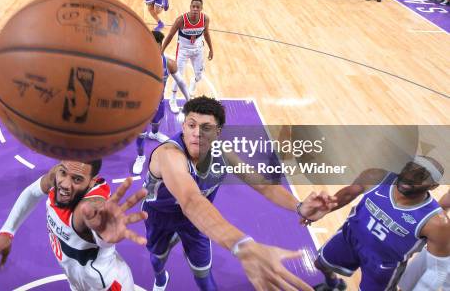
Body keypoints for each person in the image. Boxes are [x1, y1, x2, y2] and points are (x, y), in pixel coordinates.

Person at [142, 96, 337, 291]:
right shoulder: (169, 154)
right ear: (183, 126)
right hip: (161, 217)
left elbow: (263, 185)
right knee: (158, 259)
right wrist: (241, 245)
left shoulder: (223, 154)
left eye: (206, 128)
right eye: (192, 125)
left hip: (198, 221)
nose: (197, 133)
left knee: (203, 275)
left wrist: (299, 206)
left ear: (217, 133)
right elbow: (191, 200)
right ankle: (160, 280)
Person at [0, 161, 148, 291]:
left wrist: (104, 231)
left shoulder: (88, 207)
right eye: (63, 173)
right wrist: (7, 232)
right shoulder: (59, 174)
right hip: (78, 282)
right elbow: (32, 192)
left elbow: (93, 216)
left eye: (77, 179)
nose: (64, 184)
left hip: (109, 287)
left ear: (92, 181)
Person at [313, 155, 449, 291]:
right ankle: (333, 284)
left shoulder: (437, 223)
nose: (410, 177)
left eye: (421, 176)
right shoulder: (376, 177)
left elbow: (437, 268)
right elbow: (348, 194)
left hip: (383, 264)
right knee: (320, 264)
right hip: (350, 237)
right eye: (409, 168)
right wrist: (316, 212)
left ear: (433, 186)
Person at [132, 30, 190, 175]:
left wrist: (189, 100)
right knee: (140, 135)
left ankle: (155, 134)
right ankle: (140, 157)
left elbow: (181, 82)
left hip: (159, 102)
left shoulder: (169, 64)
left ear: (161, 46)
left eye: (157, 45)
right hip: (142, 106)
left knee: (157, 123)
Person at [161, 0, 213, 113]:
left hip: (198, 50)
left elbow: (207, 33)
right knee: (177, 75)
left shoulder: (205, 19)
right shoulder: (181, 20)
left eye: (197, 7)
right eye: (193, 6)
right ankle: (172, 100)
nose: (195, 9)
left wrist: (211, 49)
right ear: (190, 7)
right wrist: (162, 50)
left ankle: (192, 86)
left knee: (199, 75)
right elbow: (170, 35)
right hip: (183, 50)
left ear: (201, 8)